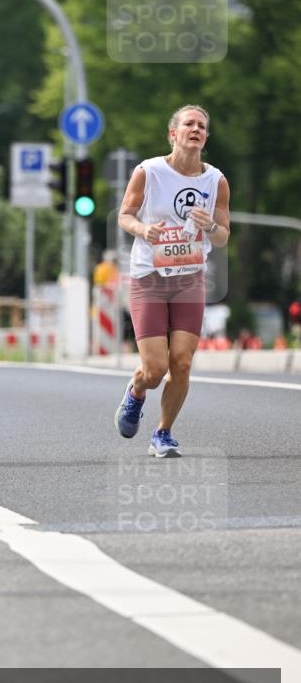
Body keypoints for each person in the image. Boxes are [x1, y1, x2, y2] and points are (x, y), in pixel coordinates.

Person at [114, 105, 231, 457]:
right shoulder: (148, 171)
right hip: (149, 276)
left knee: (181, 362)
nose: (195, 129)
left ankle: (162, 433)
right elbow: (124, 215)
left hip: (189, 278)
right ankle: (136, 392)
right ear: (174, 133)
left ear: (205, 137)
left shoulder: (216, 181)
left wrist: (210, 225)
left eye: (201, 126)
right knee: (155, 368)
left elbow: (224, 235)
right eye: (188, 124)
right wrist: (143, 229)